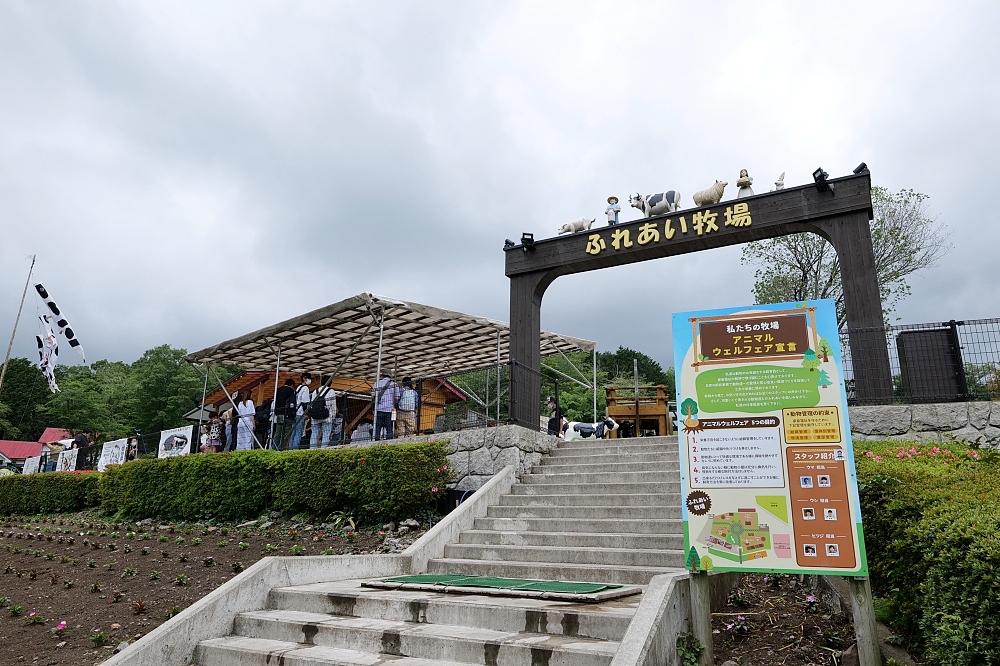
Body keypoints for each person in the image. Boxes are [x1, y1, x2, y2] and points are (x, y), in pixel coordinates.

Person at [309, 376, 337, 448]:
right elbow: (333, 405)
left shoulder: (315, 391)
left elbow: (312, 404)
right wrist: (333, 416)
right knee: (326, 434)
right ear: (330, 382)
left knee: (314, 434)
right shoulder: (331, 391)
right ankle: (323, 450)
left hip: (315, 416)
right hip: (327, 416)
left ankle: (311, 449)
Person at [372, 372, 400, 440]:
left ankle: (376, 441)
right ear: (390, 376)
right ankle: (389, 442)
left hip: (379, 409)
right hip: (389, 409)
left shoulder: (377, 383)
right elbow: (397, 397)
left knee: (377, 427)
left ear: (382, 376)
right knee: (389, 427)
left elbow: (373, 395)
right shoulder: (394, 384)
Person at [288, 373, 313, 449]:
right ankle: (295, 450)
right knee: (298, 433)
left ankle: (290, 448)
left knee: (293, 432)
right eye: (309, 378)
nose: (310, 380)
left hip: (295, 412)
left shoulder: (298, 387)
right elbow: (305, 402)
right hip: (301, 413)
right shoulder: (305, 388)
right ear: (305, 379)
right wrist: (307, 413)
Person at [274, 378, 296, 449]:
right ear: (292, 385)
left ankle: (274, 447)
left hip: (279, 414)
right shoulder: (290, 391)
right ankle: (281, 447)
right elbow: (292, 403)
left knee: (278, 433)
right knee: (286, 433)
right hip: (287, 414)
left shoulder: (278, 390)